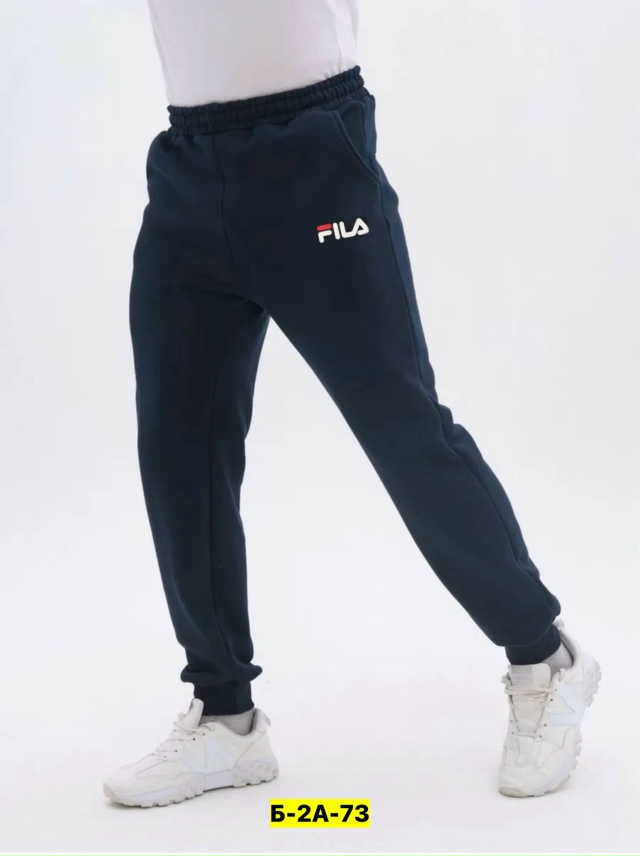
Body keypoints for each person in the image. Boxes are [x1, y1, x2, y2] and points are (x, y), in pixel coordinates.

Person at [103, 0, 600, 807]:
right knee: (176, 447)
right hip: (187, 168)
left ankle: (546, 660)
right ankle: (227, 718)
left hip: (312, 154)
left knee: (401, 426)